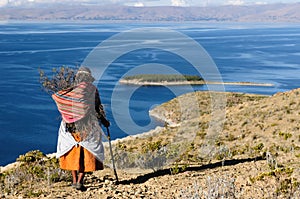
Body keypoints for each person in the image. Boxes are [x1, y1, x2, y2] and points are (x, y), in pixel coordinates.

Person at [52, 66, 110, 191]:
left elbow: (59, 99)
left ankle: (74, 180)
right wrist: (104, 121)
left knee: (73, 151)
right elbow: (97, 107)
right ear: (88, 78)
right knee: (87, 152)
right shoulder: (92, 89)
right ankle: (79, 181)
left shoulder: (70, 91)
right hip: (87, 126)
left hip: (70, 127)